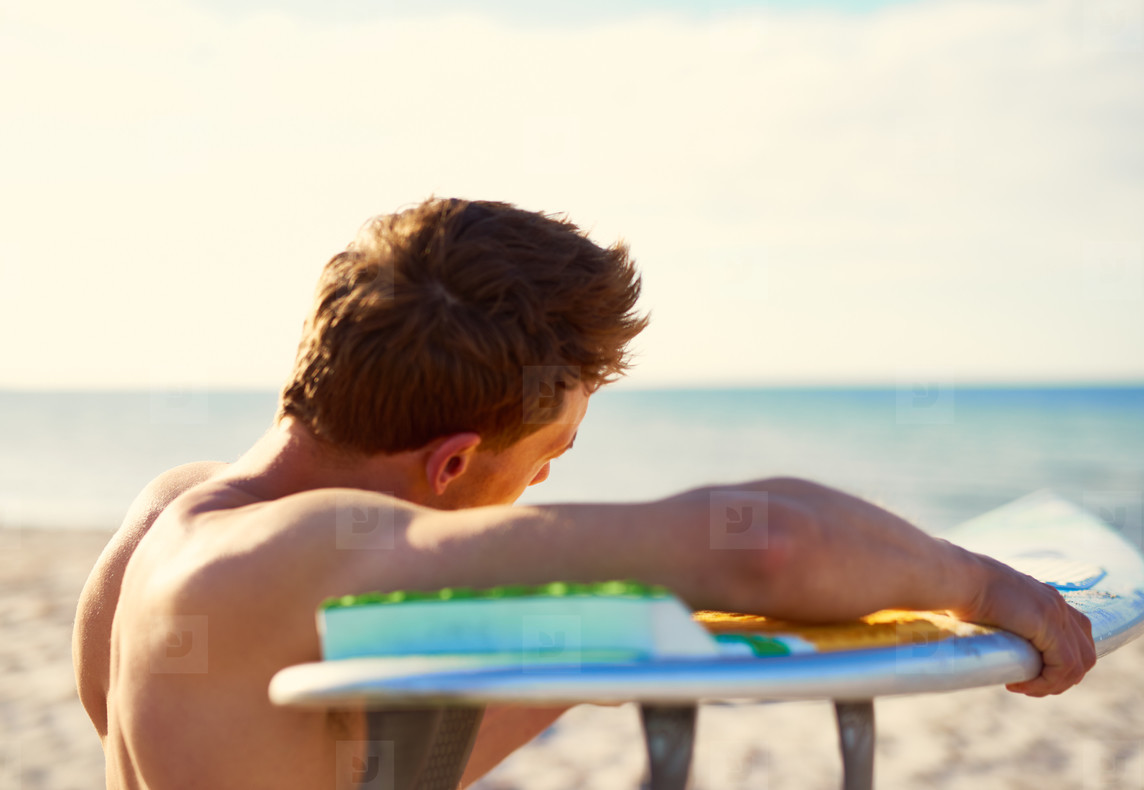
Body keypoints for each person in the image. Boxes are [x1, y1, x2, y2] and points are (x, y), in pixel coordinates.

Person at [73, 197, 1096, 789]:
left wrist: (609, 647)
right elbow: (765, 545)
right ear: (448, 461)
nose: (547, 481)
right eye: (547, 454)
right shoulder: (294, 556)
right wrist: (977, 582)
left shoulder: (168, 517)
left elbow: (328, 756)